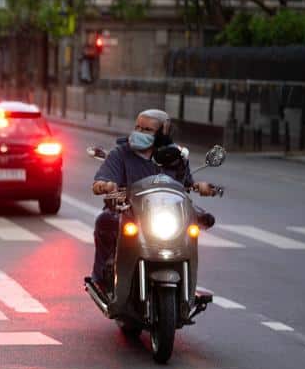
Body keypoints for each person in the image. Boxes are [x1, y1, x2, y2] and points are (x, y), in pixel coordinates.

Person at [90, 109, 217, 295]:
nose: (139, 133)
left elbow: (185, 183)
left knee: (199, 223)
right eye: (138, 127)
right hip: (130, 212)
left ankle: (188, 286)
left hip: (166, 215)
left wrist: (201, 186)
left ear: (162, 134)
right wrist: (104, 185)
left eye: (147, 130)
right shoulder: (121, 153)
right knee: (105, 221)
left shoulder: (176, 156)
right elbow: (102, 180)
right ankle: (101, 278)